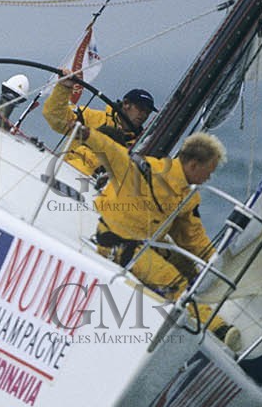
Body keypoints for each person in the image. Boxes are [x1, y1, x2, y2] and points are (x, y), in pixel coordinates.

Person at [78, 125, 225, 297]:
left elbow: (192, 236)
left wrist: (215, 261)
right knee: (174, 282)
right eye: (209, 171)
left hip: (146, 243)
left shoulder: (188, 197)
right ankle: (214, 323)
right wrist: (88, 135)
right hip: (117, 243)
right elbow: (112, 151)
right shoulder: (147, 169)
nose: (208, 178)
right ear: (193, 165)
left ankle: (202, 306)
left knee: (189, 268)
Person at [43, 78, 156, 185]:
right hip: (62, 173)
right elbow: (54, 116)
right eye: (141, 109)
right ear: (126, 104)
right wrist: (64, 88)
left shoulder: (138, 147)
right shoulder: (89, 117)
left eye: (148, 112)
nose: (144, 115)